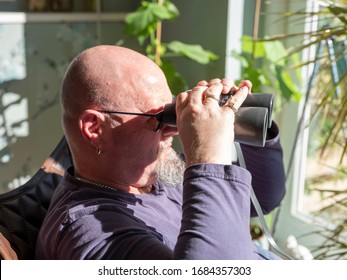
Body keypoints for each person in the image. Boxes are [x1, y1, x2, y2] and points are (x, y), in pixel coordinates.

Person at [35, 45, 286, 260]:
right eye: (158, 117)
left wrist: (242, 120)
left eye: (172, 112)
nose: (173, 130)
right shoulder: (90, 232)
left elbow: (264, 196)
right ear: (95, 128)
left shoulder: (155, 171)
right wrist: (208, 157)